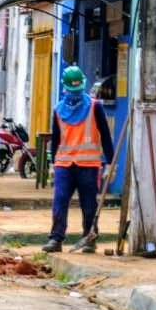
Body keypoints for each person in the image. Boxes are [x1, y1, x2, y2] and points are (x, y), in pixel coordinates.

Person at [43, 66, 113, 253]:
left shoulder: (94, 106)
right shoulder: (58, 110)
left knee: (89, 203)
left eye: (78, 90)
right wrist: (51, 163)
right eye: (73, 90)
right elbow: (56, 138)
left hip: (88, 165)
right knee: (60, 200)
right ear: (65, 88)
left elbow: (105, 136)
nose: (76, 93)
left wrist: (111, 164)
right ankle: (56, 238)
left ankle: (89, 237)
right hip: (64, 164)